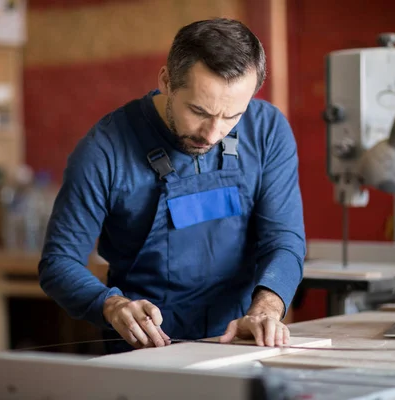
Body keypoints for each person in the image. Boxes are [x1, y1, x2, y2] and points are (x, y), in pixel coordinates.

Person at [38, 18, 306, 354]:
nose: (211, 134)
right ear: (166, 80)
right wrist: (112, 305)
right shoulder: (103, 151)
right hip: (146, 351)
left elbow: (284, 240)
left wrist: (266, 310)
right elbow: (58, 262)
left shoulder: (267, 130)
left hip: (240, 344)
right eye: (198, 111)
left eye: (232, 116)